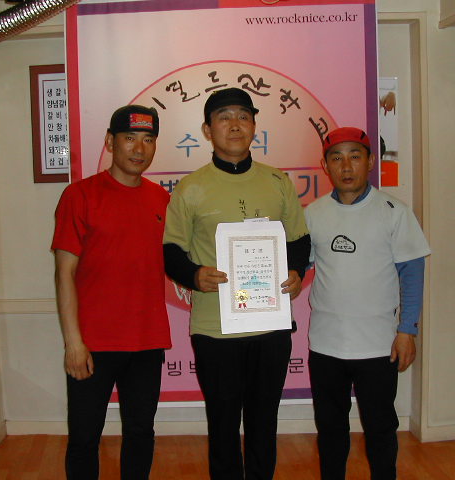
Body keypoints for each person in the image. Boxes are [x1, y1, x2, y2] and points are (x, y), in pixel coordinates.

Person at [163, 87, 311, 480]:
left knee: (264, 422)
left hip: (270, 324)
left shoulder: (278, 181)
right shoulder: (191, 187)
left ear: (254, 127)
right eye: (224, 117)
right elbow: (171, 251)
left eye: (244, 116)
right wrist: (194, 275)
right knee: (223, 423)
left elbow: (299, 239)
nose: (235, 125)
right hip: (216, 328)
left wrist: (297, 271)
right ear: (207, 130)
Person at [51, 105, 171, 480]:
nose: (139, 148)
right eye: (130, 138)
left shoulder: (162, 199)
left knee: (141, 432)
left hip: (147, 340)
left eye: (148, 139)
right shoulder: (80, 195)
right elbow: (64, 272)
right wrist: (73, 342)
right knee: (84, 437)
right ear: (110, 142)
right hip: (93, 344)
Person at [305, 127, 431, 480]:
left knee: (380, 428)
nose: (346, 166)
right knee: (330, 428)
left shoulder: (394, 212)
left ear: (371, 161)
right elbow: (299, 266)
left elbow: (412, 273)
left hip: (378, 345)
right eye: (336, 158)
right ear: (325, 166)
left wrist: (407, 330)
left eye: (355, 156)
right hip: (326, 344)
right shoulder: (312, 213)